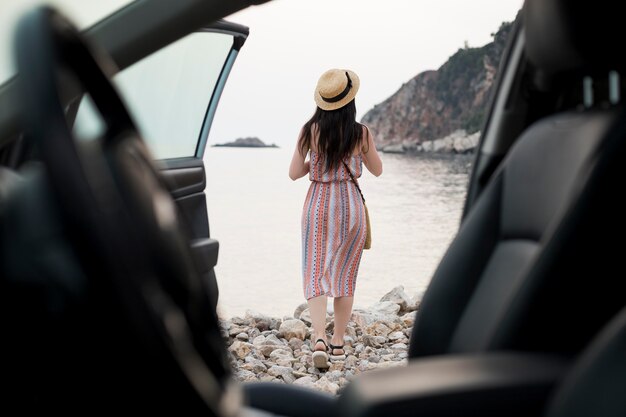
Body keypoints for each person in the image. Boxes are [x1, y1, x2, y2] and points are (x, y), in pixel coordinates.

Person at [289, 68, 383, 369]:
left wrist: (315, 163)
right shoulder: (361, 133)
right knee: (344, 274)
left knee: (316, 269)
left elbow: (294, 173)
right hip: (350, 207)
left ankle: (318, 338)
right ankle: (339, 342)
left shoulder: (309, 130)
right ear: (350, 100)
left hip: (318, 204)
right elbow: (377, 170)